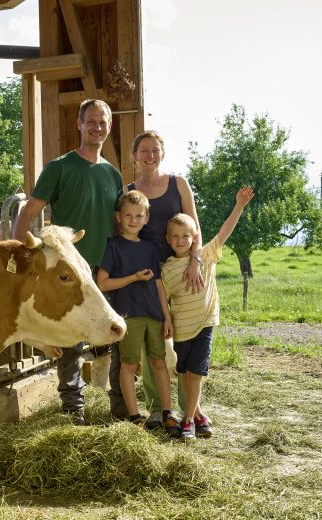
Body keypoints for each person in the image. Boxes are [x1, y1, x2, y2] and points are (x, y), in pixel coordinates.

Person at [12, 99, 123, 426]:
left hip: (103, 270)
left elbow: (117, 225)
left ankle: (111, 403)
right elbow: (28, 214)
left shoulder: (113, 175)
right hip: (68, 274)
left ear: (109, 127)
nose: (97, 127)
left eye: (102, 122)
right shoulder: (59, 167)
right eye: (91, 121)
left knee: (110, 336)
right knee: (72, 345)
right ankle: (73, 410)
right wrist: (22, 256)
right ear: (79, 124)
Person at [109, 130, 203, 432]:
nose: (150, 155)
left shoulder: (179, 184)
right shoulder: (131, 190)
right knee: (156, 343)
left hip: (181, 268)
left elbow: (195, 227)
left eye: (155, 150)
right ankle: (158, 408)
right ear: (135, 156)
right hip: (150, 273)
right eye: (144, 150)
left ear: (162, 153)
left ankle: (193, 408)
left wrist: (195, 261)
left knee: (187, 337)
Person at [162, 185, 255, 439]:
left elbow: (224, 232)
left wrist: (239, 206)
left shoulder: (204, 256)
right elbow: (162, 295)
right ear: (168, 240)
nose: (181, 240)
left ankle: (189, 420)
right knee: (184, 375)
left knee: (196, 374)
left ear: (194, 238)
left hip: (204, 324)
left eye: (186, 236)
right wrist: (167, 321)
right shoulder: (167, 269)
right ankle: (200, 415)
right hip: (181, 330)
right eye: (175, 236)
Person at [97, 191, 178, 432]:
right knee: (129, 365)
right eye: (128, 215)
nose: (133, 219)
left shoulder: (150, 249)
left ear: (146, 218)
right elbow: (102, 283)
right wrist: (133, 278)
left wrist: (167, 316)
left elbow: (159, 285)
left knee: (159, 362)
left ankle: (167, 412)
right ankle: (134, 416)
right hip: (128, 316)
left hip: (153, 313)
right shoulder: (112, 246)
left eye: (138, 215)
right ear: (118, 217)